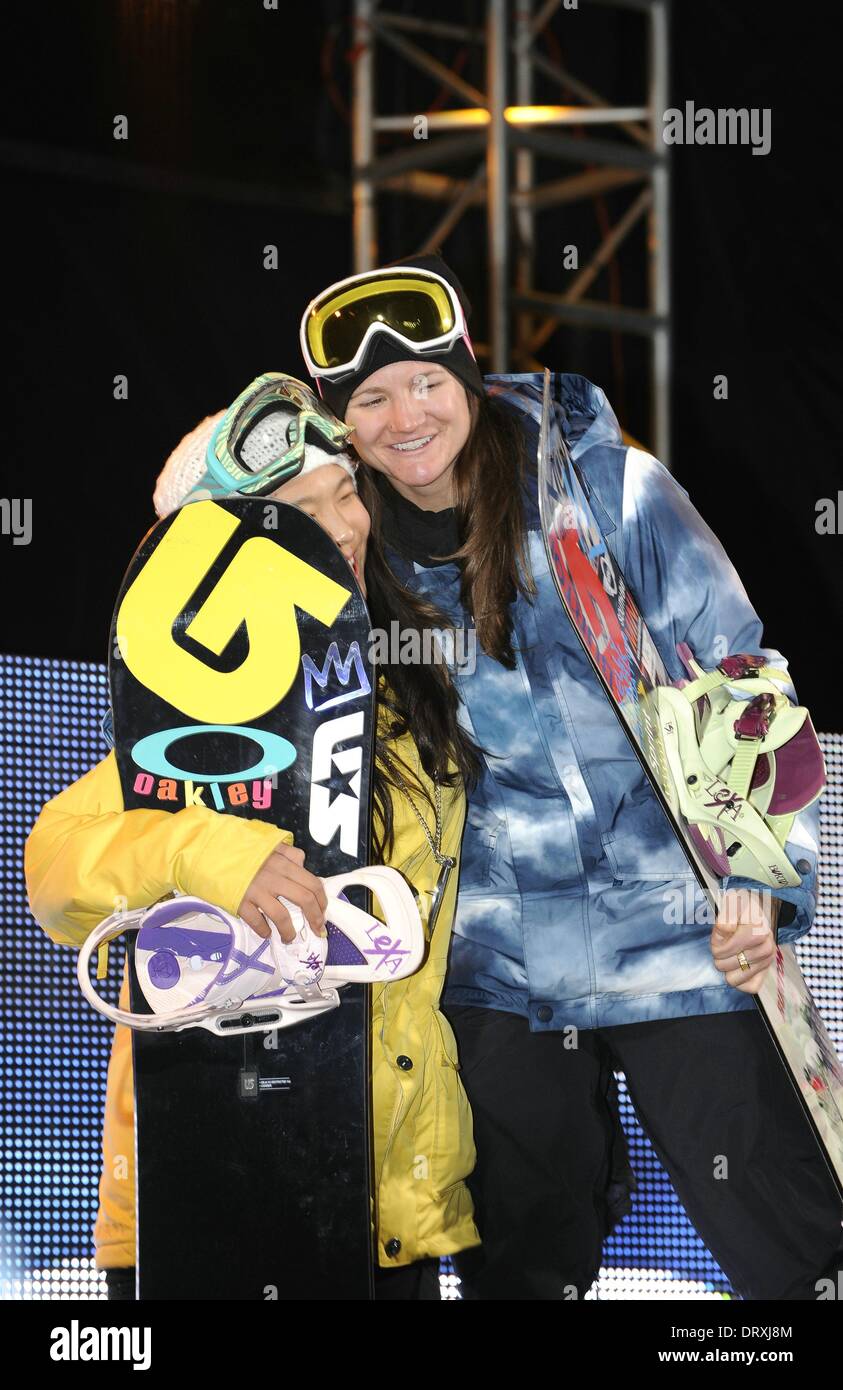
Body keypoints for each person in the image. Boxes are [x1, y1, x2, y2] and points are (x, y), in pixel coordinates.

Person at [299, 253, 842, 1300]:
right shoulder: (344, 552)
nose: (404, 416)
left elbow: (738, 672)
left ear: (465, 376)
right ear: (344, 422)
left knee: (780, 1223)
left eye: (423, 382)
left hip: (670, 916)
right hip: (496, 950)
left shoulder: (602, 487)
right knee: (525, 1247)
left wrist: (754, 876)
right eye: (369, 398)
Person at [24, 374, 483, 1301]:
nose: (344, 527)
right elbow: (55, 871)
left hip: (395, 1208)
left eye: (345, 492)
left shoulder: (411, 705)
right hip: (198, 1198)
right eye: (302, 515)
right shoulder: (190, 731)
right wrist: (206, 853)